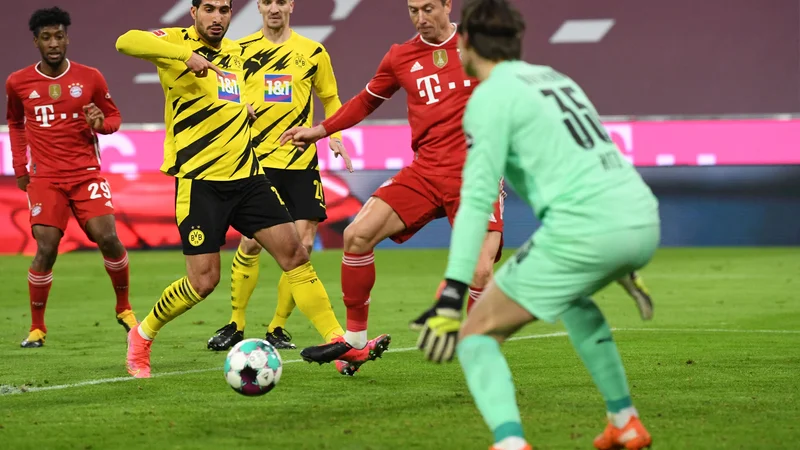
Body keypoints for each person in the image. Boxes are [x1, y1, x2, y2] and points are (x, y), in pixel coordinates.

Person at [281, 0, 653, 366]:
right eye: (413, 10)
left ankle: (478, 343)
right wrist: (319, 131)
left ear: (448, 5)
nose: (420, 18)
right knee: (356, 235)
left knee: (479, 271)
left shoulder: (478, 50)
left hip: (477, 174)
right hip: (424, 172)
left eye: (428, 8)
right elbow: (366, 101)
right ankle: (356, 342)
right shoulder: (400, 57)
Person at [414, 1, 657, 449]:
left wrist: (452, 292)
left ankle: (510, 443)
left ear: (465, 41)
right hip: (640, 216)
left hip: (586, 231)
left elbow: (475, 201)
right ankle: (623, 420)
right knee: (572, 300)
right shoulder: (556, 79)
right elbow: (598, 163)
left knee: (475, 337)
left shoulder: (489, 97)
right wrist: (622, 256)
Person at [114, 0, 388, 379]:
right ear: (193, 13)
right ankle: (142, 335)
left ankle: (341, 344)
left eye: (224, 10)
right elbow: (125, 41)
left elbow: (225, 95)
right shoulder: (175, 43)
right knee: (202, 282)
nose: (217, 17)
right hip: (201, 182)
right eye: (208, 9)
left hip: (248, 177)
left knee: (295, 255)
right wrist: (185, 55)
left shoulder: (235, 53)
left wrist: (242, 109)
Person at [207, 0, 355, 355]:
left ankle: (277, 327)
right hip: (256, 158)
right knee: (252, 243)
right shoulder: (238, 50)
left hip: (301, 161)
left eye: (281, 1)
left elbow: (331, 98)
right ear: (259, 6)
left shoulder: (313, 52)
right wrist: (237, 110)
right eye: (267, 1)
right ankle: (236, 323)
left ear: (291, 5)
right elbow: (219, 94)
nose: (274, 8)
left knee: (302, 245)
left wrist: (333, 135)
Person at [6, 7, 136, 348]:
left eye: (59, 36)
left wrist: (99, 125)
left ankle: (123, 307)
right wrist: (21, 169)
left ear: (67, 38)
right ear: (35, 41)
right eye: (46, 37)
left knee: (107, 238)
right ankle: (37, 328)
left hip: (85, 174)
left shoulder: (90, 77)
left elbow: (114, 118)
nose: (53, 43)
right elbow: (16, 125)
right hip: (45, 179)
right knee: (46, 248)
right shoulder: (18, 82)